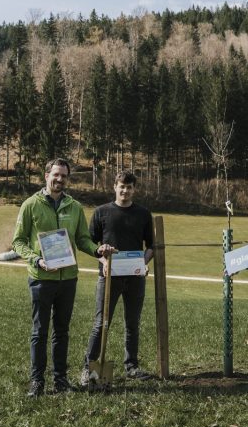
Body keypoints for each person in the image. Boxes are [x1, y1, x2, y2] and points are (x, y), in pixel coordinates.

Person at [12, 157, 115, 397]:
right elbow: (18, 242)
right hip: (41, 278)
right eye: (55, 175)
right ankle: (37, 382)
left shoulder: (75, 207)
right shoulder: (30, 205)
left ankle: (60, 380)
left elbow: (82, 239)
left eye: (64, 176)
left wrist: (97, 250)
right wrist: (36, 260)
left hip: (68, 279)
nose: (59, 179)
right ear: (46, 176)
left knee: (62, 331)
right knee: (39, 332)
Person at [80, 171, 154, 386]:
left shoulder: (143, 214)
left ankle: (132, 367)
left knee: (132, 323)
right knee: (101, 324)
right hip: (108, 277)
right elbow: (90, 244)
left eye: (129, 187)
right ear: (115, 187)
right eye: (122, 186)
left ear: (134, 189)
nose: (125, 190)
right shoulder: (101, 212)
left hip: (135, 278)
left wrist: (144, 263)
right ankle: (88, 368)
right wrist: (103, 260)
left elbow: (151, 246)